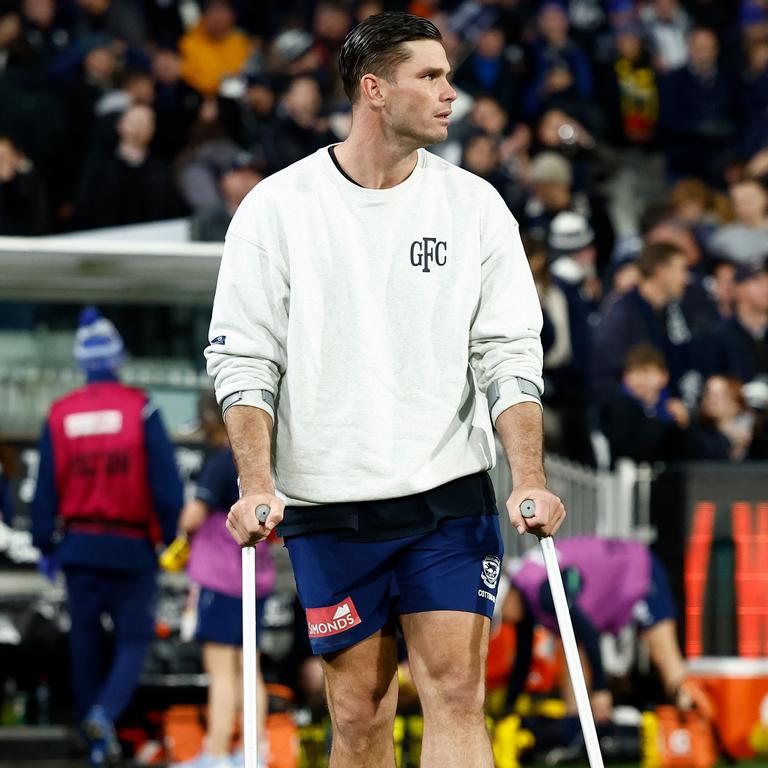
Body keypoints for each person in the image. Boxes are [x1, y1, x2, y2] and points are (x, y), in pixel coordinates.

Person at [206, 13, 565, 768]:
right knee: (360, 713)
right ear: (373, 89)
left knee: (458, 691)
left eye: (449, 75)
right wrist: (256, 481)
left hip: (447, 496)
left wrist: (528, 477)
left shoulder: (475, 207)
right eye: (429, 77)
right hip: (329, 504)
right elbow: (244, 358)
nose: (450, 94)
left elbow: (508, 354)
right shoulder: (278, 207)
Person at [31, 307, 183, 767]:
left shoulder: (59, 415)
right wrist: (168, 538)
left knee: (85, 643)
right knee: (135, 637)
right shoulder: (142, 408)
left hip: (78, 546)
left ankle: (90, 735)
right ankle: (105, 712)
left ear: (82, 363)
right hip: (132, 547)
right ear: (117, 359)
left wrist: (45, 545)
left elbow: (44, 492)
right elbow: (168, 487)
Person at [501, 537, 715, 730]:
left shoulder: (542, 592)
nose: (505, 622)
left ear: (509, 595)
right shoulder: (524, 592)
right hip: (612, 577)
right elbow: (523, 657)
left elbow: (589, 634)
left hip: (637, 570)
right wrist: (508, 711)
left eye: (502, 615)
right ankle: (575, 731)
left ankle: (702, 729)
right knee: (571, 651)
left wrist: (601, 689)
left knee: (666, 658)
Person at [172, 393, 276, 768]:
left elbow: (191, 518)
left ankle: (215, 755)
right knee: (251, 668)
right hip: (255, 579)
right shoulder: (260, 466)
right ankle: (257, 751)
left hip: (220, 581)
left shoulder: (218, 464)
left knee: (221, 672)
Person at [599, 343, 689, 463]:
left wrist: (684, 426)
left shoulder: (672, 409)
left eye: (645, 371)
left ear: (664, 376)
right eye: (633, 372)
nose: (639, 379)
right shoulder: (617, 408)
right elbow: (637, 447)